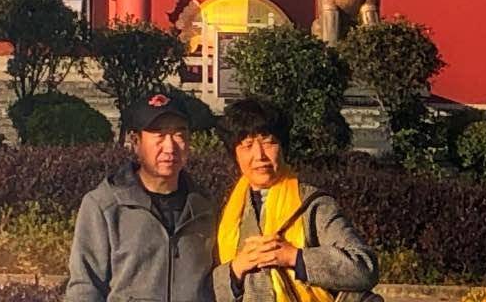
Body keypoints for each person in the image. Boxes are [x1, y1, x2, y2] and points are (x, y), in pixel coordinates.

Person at [64, 89, 221, 302]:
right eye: (159, 135)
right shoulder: (105, 206)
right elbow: (85, 287)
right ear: (135, 142)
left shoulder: (205, 207)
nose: (170, 146)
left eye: (179, 134)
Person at [212, 98, 376, 302]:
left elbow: (364, 267)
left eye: (268, 142)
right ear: (234, 154)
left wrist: (294, 257)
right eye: (247, 145)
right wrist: (236, 269)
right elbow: (207, 288)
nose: (259, 155)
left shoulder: (312, 204)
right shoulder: (225, 212)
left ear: (283, 147)